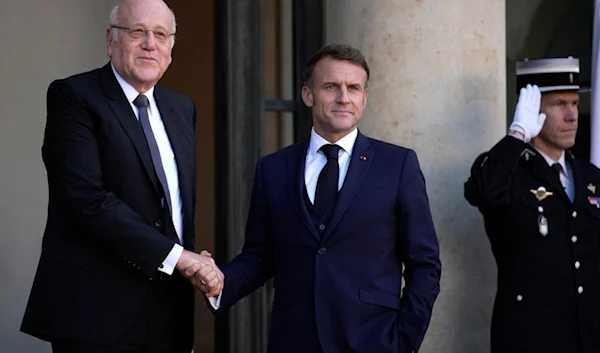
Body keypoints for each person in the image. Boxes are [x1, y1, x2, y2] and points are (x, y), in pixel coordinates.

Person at [202, 44, 441, 353]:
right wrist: (221, 280)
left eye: (353, 88)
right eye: (331, 86)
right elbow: (260, 256)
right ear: (308, 95)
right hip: (293, 340)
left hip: (373, 341)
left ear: (364, 98)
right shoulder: (273, 169)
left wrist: (402, 341)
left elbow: (425, 264)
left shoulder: (397, 165)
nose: (344, 97)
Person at [20, 1, 222, 352]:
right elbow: (86, 199)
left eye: (160, 34)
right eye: (137, 32)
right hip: (95, 311)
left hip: (169, 311)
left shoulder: (181, 108)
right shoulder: (74, 97)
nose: (150, 44)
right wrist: (179, 257)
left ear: (171, 48)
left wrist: (188, 260)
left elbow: (174, 207)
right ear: (111, 40)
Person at [465, 57, 600, 353]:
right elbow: (482, 191)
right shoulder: (508, 172)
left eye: (575, 104)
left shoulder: (591, 177)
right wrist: (517, 136)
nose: (572, 115)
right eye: (559, 104)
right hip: (531, 338)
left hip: (589, 335)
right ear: (531, 108)